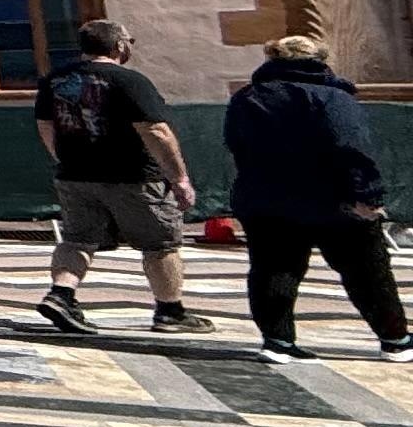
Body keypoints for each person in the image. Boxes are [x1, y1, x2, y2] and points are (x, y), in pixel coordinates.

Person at [220, 34, 413, 361]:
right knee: (367, 272)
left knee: (274, 269)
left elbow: (234, 143)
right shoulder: (333, 98)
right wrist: (368, 195)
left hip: (266, 199)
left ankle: (278, 341)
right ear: (320, 60)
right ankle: (395, 339)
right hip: (334, 200)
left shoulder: (248, 98)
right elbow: (352, 147)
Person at [30, 20, 214, 336]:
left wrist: (62, 158)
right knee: (160, 244)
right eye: (130, 41)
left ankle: (61, 295)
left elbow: (46, 125)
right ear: (119, 46)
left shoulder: (55, 80)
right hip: (133, 177)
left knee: (77, 239)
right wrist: (179, 178)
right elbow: (156, 131)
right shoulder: (128, 81)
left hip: (75, 176)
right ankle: (170, 311)